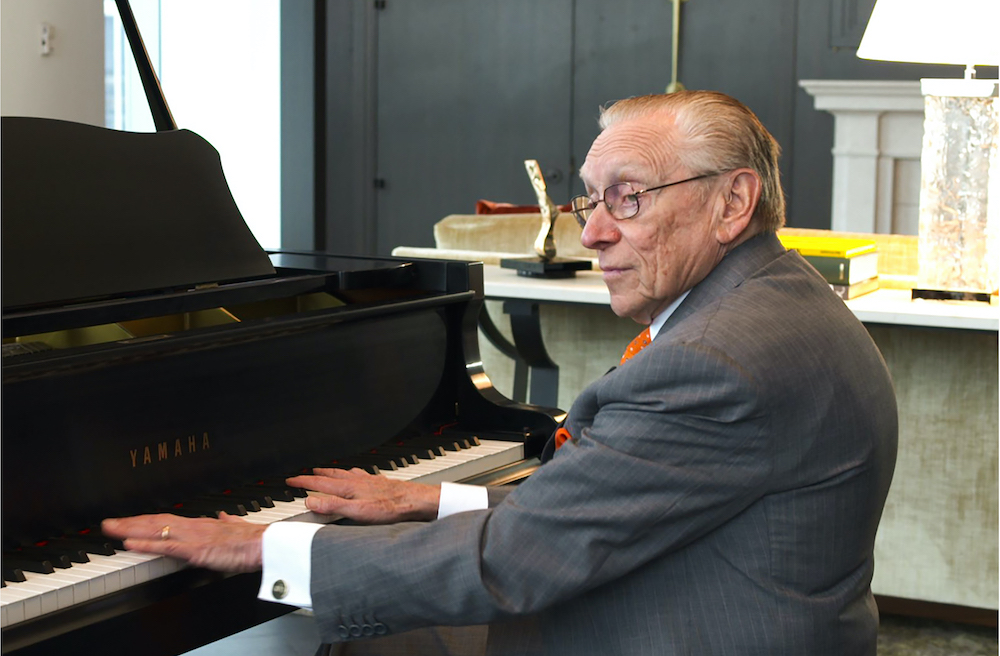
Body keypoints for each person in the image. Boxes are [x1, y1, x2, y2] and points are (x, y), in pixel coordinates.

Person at [103, 90, 898, 655]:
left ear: (734, 202)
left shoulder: (711, 362)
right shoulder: (779, 298)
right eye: (589, 200)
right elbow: (616, 502)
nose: (591, 234)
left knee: (363, 634)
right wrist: (430, 498)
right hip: (732, 612)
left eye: (628, 199)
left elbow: (517, 561)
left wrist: (262, 548)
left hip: (674, 631)